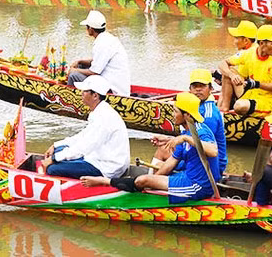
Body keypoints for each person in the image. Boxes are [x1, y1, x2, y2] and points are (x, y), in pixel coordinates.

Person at [82, 92, 219, 204]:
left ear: (187, 115)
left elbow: (213, 151)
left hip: (197, 186)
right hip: (186, 177)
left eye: (175, 111)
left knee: (143, 180)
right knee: (146, 179)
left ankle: (103, 181)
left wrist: (186, 139)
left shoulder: (201, 131)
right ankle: (140, 185)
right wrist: (152, 182)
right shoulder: (186, 132)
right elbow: (171, 163)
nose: (172, 114)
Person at [41, 75, 130, 179]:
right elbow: (83, 136)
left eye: (84, 91)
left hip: (107, 167)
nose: (81, 94)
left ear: (95, 96)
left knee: (52, 169)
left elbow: (85, 146)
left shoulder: (104, 117)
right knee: (58, 150)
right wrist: (55, 145)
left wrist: (54, 159)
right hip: (96, 157)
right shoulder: (98, 111)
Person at [151, 69, 228, 176]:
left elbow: (205, 145)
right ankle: (155, 180)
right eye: (194, 86)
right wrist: (169, 140)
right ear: (190, 89)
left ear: (210, 88)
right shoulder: (196, 106)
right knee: (164, 148)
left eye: (202, 86)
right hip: (199, 154)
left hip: (209, 164)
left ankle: (153, 182)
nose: (198, 90)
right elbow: (192, 138)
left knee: (162, 156)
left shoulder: (209, 114)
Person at [217, 24, 272, 116]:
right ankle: (223, 110)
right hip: (250, 93)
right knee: (229, 71)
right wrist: (231, 75)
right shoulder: (249, 53)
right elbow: (223, 63)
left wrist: (257, 84)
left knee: (239, 106)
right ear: (261, 43)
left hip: (265, 101)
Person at [67, 10, 130, 96]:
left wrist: (74, 70)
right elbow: (98, 61)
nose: (86, 29)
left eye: (87, 27)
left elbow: (94, 72)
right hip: (111, 81)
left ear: (91, 29)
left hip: (113, 88)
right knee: (81, 66)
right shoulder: (108, 38)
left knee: (73, 75)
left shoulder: (102, 43)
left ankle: (69, 99)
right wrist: (80, 62)